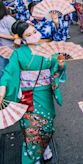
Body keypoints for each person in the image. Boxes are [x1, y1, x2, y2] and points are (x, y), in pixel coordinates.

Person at [0, 20, 66, 164]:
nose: (34, 36)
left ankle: (45, 146)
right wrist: (2, 89)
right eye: (29, 35)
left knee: (47, 126)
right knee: (31, 130)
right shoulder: (18, 53)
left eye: (34, 32)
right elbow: (9, 73)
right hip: (27, 95)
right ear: (22, 38)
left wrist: (61, 65)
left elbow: (56, 68)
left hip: (45, 93)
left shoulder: (48, 48)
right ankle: (32, 158)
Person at [0, 0, 16, 77]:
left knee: (5, 72)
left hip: (8, 50)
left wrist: (1, 35)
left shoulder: (8, 19)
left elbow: (17, 37)